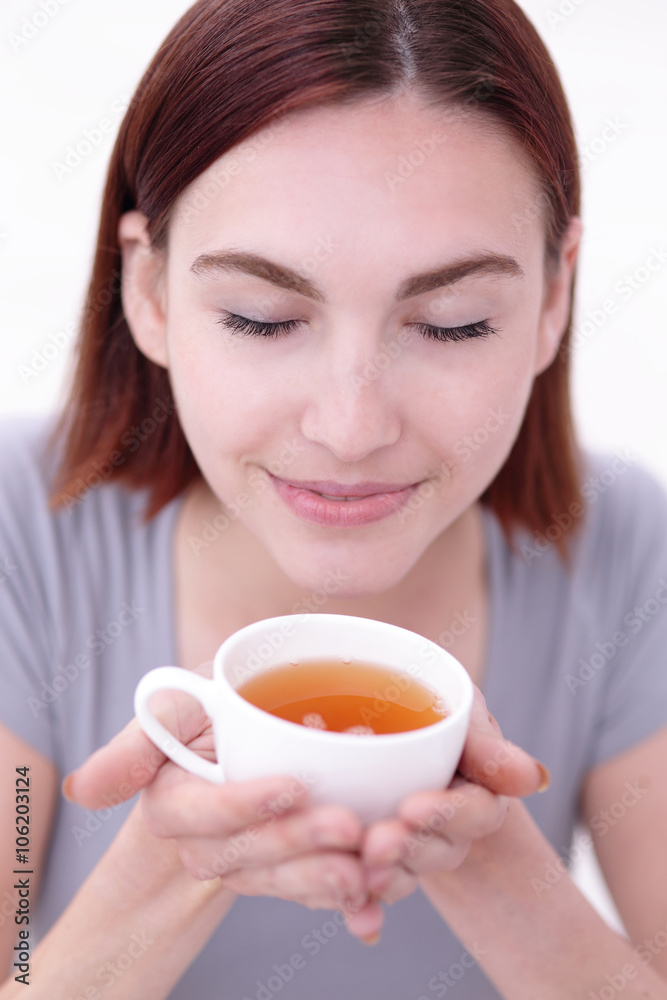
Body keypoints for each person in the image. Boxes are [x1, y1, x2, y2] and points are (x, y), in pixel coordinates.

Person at [1, 0, 666, 997]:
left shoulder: (622, 545)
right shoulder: (25, 524)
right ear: (148, 290)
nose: (350, 428)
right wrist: (165, 869)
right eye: (263, 318)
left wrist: (490, 867)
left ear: (553, 300)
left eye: (450, 323)